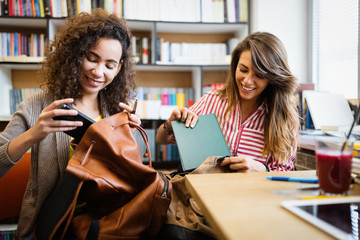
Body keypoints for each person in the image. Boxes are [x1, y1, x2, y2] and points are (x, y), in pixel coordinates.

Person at [0, 9, 140, 238]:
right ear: (75, 54)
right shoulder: (37, 105)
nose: (98, 72)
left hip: (106, 221)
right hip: (51, 226)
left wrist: (132, 136)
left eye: (109, 65)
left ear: (120, 67)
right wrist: (33, 134)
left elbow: (134, 175)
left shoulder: (118, 110)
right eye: (92, 59)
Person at [156, 32, 299, 172]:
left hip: (249, 194)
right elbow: (161, 139)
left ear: (273, 77)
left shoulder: (284, 118)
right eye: (243, 70)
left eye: (259, 75)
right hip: (202, 191)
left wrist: (262, 169)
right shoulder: (211, 100)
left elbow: (284, 172)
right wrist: (170, 124)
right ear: (235, 66)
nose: (247, 81)